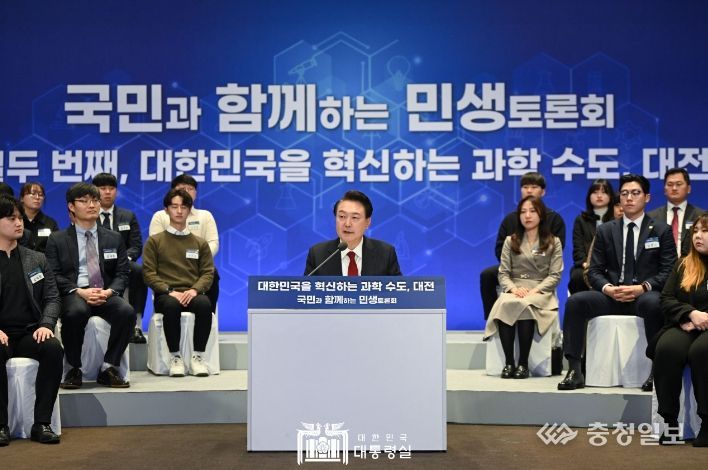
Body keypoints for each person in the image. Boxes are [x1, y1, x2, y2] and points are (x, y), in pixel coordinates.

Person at [558, 174, 677, 391]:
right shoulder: (605, 230)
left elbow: (669, 270)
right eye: (624, 194)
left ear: (647, 197)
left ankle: (656, 370)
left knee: (655, 304)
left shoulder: (661, 230)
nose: (629, 198)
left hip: (643, 294)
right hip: (612, 295)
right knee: (576, 302)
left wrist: (643, 287)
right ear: (619, 198)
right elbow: (594, 270)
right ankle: (575, 369)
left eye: (635, 193)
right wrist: (608, 288)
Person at [45, 183, 135, 389]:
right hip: (76, 292)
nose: (92, 205)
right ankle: (73, 368)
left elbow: (123, 273)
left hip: (105, 292)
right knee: (75, 312)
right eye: (84, 201)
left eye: (95, 200)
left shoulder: (114, 237)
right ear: (71, 206)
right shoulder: (57, 239)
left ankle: (109, 367)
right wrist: (79, 291)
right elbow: (53, 275)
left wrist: (109, 291)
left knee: (127, 312)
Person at [0, 196, 62, 446]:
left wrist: (46, 324)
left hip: (29, 332)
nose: (19, 223)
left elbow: (53, 297)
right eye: (11, 218)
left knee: (53, 349)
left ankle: (42, 423)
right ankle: (1, 425)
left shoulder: (36, 259)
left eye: (20, 218)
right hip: (1, 334)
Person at [483, 196, 563, 379]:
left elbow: (555, 275)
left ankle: (523, 364)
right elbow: (503, 273)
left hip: (540, 290)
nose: (527, 216)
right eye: (523, 212)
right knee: (506, 303)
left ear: (541, 215)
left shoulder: (553, 242)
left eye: (532, 211)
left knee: (525, 305)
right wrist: (512, 289)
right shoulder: (510, 241)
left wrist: (536, 290)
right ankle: (509, 363)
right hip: (516, 288)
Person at [650, 214, 708, 447]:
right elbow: (666, 298)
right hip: (684, 323)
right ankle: (670, 422)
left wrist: (704, 318)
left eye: (705, 231)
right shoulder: (683, 264)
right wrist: (690, 314)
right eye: (695, 231)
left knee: (701, 352)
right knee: (667, 349)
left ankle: (707, 423)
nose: (698, 236)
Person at [143, 189, 214, 377]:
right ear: (166, 210)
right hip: (166, 295)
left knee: (205, 304)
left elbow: (208, 273)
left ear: (190, 210)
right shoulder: (155, 242)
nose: (179, 211)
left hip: (192, 293)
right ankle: (176, 358)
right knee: (171, 306)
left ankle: (198, 357)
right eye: (174, 206)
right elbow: (149, 273)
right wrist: (169, 290)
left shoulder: (200, 243)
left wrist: (195, 290)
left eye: (184, 207)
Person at [479, 172, 566, 319]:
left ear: (543, 191)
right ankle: (493, 320)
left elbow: (557, 249)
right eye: (525, 187)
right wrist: (516, 268)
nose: (529, 191)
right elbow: (500, 248)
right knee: (487, 275)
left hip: (541, 270)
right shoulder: (511, 218)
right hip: (514, 268)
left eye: (534, 187)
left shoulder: (554, 218)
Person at [149, 174, 219, 311]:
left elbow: (213, 242)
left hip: (199, 265)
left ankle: (208, 313)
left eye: (190, 189)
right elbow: (156, 246)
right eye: (182, 189)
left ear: (196, 193)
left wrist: (200, 259)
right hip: (169, 267)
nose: (186, 192)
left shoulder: (205, 215)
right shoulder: (160, 216)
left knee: (212, 272)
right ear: (172, 192)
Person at [92, 173, 147, 344]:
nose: (107, 192)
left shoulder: (128, 216)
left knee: (138, 270)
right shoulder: (88, 215)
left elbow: (136, 245)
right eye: (103, 188)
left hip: (124, 263)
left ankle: (136, 325)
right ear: (95, 191)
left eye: (111, 188)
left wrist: (123, 259)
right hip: (96, 263)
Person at [304, 190, 402, 276]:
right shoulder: (318, 255)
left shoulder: (385, 253)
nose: (347, 224)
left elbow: (399, 289)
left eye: (355, 217)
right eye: (342, 216)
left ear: (367, 222)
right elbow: (306, 289)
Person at [568, 179, 616, 294]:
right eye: (595, 192)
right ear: (589, 196)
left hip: (611, 266)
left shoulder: (616, 220)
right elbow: (578, 249)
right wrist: (586, 264)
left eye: (603, 192)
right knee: (577, 276)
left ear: (610, 196)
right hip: (585, 265)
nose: (599, 196)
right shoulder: (581, 220)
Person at [648, 168, 705, 258]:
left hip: (692, 264)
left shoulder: (701, 215)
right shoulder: (651, 217)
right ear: (664, 189)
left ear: (688, 188)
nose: (674, 188)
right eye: (670, 184)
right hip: (660, 265)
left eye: (679, 184)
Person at [18, 182, 59, 254]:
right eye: (33, 193)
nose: (37, 197)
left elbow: (56, 249)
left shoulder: (50, 223)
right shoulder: (16, 221)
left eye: (40, 194)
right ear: (22, 198)